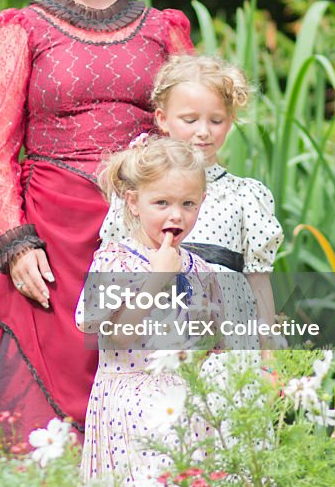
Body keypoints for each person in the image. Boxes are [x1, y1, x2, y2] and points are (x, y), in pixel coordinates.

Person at [0, 0, 193, 443]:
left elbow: (191, 141)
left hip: (143, 244)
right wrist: (15, 244)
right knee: (42, 440)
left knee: (152, 422)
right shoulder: (22, 30)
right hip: (47, 245)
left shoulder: (162, 30)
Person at [57, 136, 219, 487]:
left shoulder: (201, 269)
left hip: (184, 409)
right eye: (162, 203)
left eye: (188, 203)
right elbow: (117, 333)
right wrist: (156, 278)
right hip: (130, 408)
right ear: (133, 201)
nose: (176, 214)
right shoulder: (117, 260)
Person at [101, 53, 283, 353]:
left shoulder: (245, 196)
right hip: (158, 327)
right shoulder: (139, 193)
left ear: (231, 120)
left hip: (227, 333)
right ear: (162, 119)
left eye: (216, 120)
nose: (203, 131)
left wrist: (268, 347)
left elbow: (258, 279)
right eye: (190, 120)